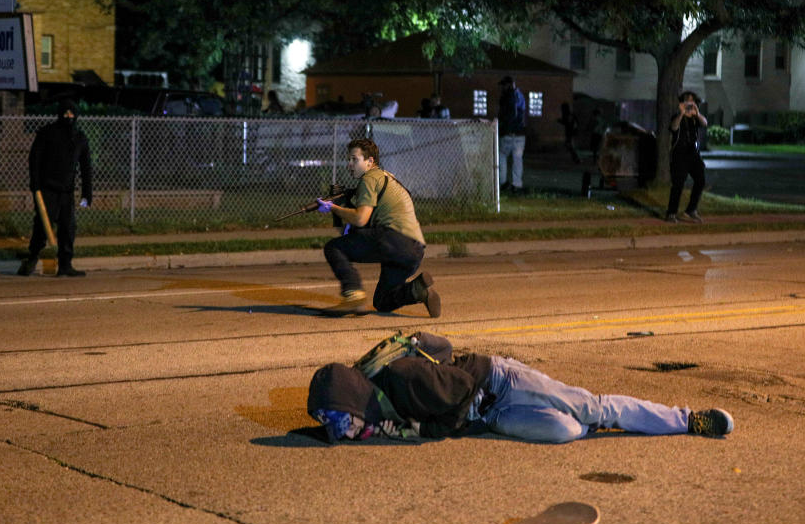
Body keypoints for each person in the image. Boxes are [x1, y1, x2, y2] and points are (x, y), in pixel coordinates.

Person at [307, 331, 735, 443]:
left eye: (340, 422)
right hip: (490, 415)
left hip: (499, 383)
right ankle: (599, 420)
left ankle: (688, 420)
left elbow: (457, 388)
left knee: (593, 409)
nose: (341, 431)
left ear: (351, 401)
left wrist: (427, 430)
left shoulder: (404, 379)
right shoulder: (368, 410)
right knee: (566, 432)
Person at [314, 138, 441, 318]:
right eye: (348, 160)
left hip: (394, 239)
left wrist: (333, 208)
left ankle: (353, 294)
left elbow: (360, 218)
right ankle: (418, 290)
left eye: (354, 159)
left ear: (370, 161)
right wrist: (341, 207)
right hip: (415, 249)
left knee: (334, 247)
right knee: (382, 301)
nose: (349, 165)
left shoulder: (370, 179)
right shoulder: (387, 176)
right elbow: (359, 228)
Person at [17, 99, 93, 277]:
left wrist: (87, 193)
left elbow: (86, 167)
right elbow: (35, 159)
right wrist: (35, 184)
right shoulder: (47, 133)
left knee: (68, 228)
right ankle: (32, 257)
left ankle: (65, 264)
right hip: (47, 190)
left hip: (66, 192)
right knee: (43, 226)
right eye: (65, 113)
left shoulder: (79, 138)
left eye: (72, 114)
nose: (69, 117)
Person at [665, 91, 707, 224]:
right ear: (681, 103)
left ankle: (690, 210)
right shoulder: (677, 116)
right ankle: (671, 213)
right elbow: (673, 127)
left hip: (693, 154)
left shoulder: (695, 118)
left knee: (700, 180)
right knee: (678, 184)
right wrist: (682, 113)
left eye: (692, 101)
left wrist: (697, 113)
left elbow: (705, 123)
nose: (689, 103)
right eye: (686, 100)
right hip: (680, 154)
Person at [497, 76, 527, 193]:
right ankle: (517, 184)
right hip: (520, 134)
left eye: (503, 85)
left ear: (509, 85)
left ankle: (502, 182)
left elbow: (510, 115)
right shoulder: (520, 96)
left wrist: (504, 128)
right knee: (517, 159)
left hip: (509, 133)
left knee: (502, 155)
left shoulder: (508, 97)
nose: (502, 88)